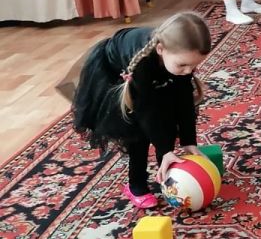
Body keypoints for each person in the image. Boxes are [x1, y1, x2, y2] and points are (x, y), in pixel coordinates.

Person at [72, 12, 212, 209]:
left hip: (153, 72)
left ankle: (167, 170)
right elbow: (147, 111)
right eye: (183, 65)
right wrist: (165, 150)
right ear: (161, 49)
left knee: (169, 115)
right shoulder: (142, 63)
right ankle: (135, 184)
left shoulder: (179, 61)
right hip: (115, 74)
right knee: (137, 132)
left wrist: (189, 140)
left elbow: (184, 99)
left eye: (194, 66)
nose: (189, 71)